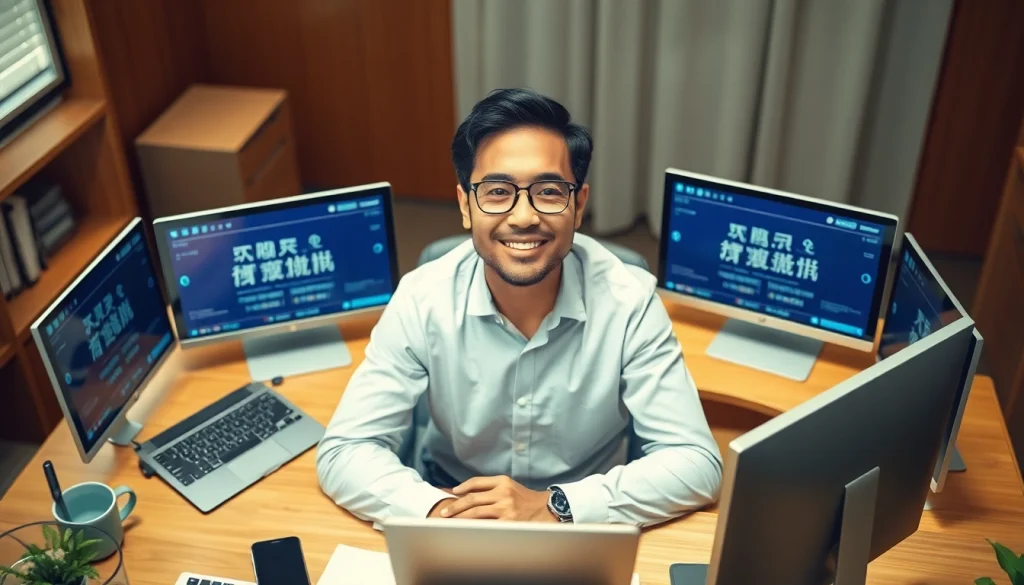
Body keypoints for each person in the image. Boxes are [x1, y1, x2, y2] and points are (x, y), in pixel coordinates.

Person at [316, 88, 722, 527]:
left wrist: (554, 506)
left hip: (585, 511)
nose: (524, 217)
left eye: (548, 191)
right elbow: (345, 451)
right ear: (466, 206)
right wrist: (441, 510)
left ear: (579, 204)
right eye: (496, 191)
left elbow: (696, 463)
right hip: (450, 498)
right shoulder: (421, 297)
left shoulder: (630, 301)